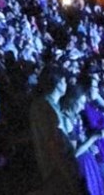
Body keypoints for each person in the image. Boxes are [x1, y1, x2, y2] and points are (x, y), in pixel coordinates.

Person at [29, 66, 83, 194]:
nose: (66, 85)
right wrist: (66, 172)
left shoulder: (54, 105)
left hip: (62, 166)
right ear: (57, 83)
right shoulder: (44, 106)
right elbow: (52, 142)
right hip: (56, 170)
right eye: (64, 81)